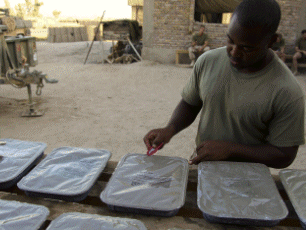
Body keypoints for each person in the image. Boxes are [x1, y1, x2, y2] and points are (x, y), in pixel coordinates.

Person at [143, 0, 305, 169]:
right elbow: (191, 103)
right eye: (230, 40)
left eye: (247, 48)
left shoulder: (287, 91)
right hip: (203, 167)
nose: (234, 52)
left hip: (248, 180)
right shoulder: (208, 62)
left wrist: (231, 150)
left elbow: (284, 155)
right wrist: (170, 129)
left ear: (271, 41)